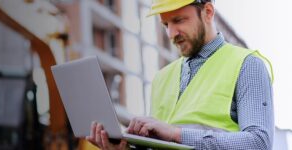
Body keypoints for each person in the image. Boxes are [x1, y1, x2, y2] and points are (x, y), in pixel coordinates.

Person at [86, 0, 274, 149]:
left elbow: (258, 143)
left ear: (208, 12)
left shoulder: (247, 64)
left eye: (178, 20)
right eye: (165, 24)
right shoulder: (162, 78)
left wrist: (177, 134)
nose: (171, 33)